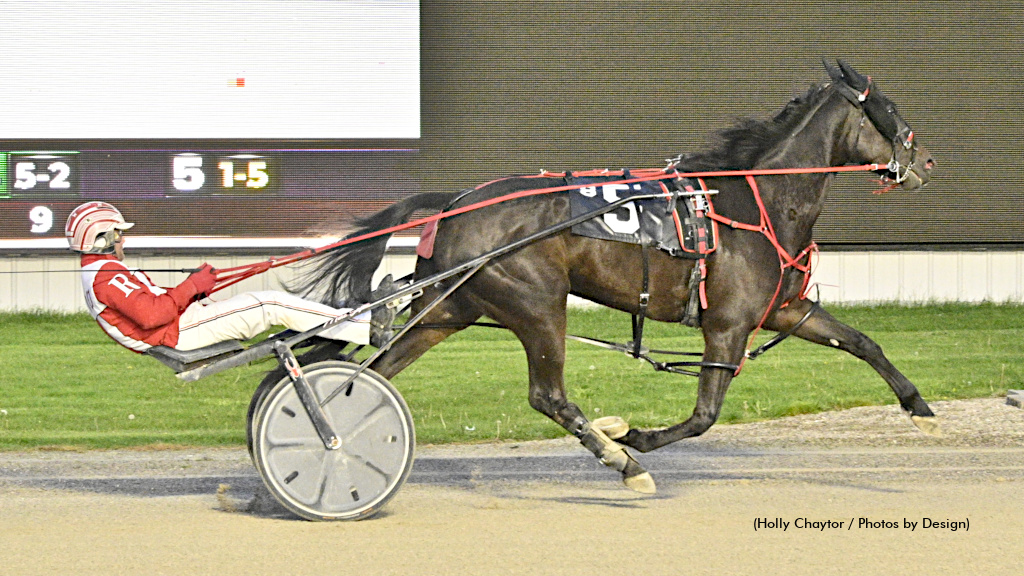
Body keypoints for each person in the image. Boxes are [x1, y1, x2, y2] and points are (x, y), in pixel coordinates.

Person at [66, 201, 394, 353]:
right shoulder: (105, 277)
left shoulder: (103, 273)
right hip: (178, 333)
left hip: (181, 323)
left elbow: (153, 303)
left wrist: (193, 289)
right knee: (270, 303)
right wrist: (192, 286)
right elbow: (152, 315)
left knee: (271, 301)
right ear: (103, 239)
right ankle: (366, 327)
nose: (123, 240)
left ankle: (360, 318)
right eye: (118, 234)